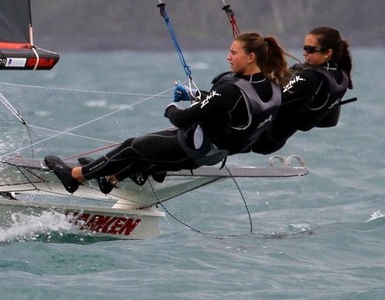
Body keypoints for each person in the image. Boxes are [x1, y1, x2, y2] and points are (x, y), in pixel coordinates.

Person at [45, 32, 292, 194]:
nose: (228, 57)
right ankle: (111, 178)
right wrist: (196, 95)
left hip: (193, 149)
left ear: (250, 57)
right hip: (215, 153)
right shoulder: (273, 89)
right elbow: (233, 108)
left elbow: (182, 118)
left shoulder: (230, 89)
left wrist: (171, 108)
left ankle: (75, 176)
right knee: (146, 150)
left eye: (233, 52)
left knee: (132, 146)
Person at [250, 26, 353, 154]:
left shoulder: (309, 78)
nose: (304, 53)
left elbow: (272, 100)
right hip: (273, 140)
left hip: (259, 138)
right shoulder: (340, 76)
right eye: (304, 48)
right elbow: (329, 121)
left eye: (310, 50)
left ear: (328, 53)